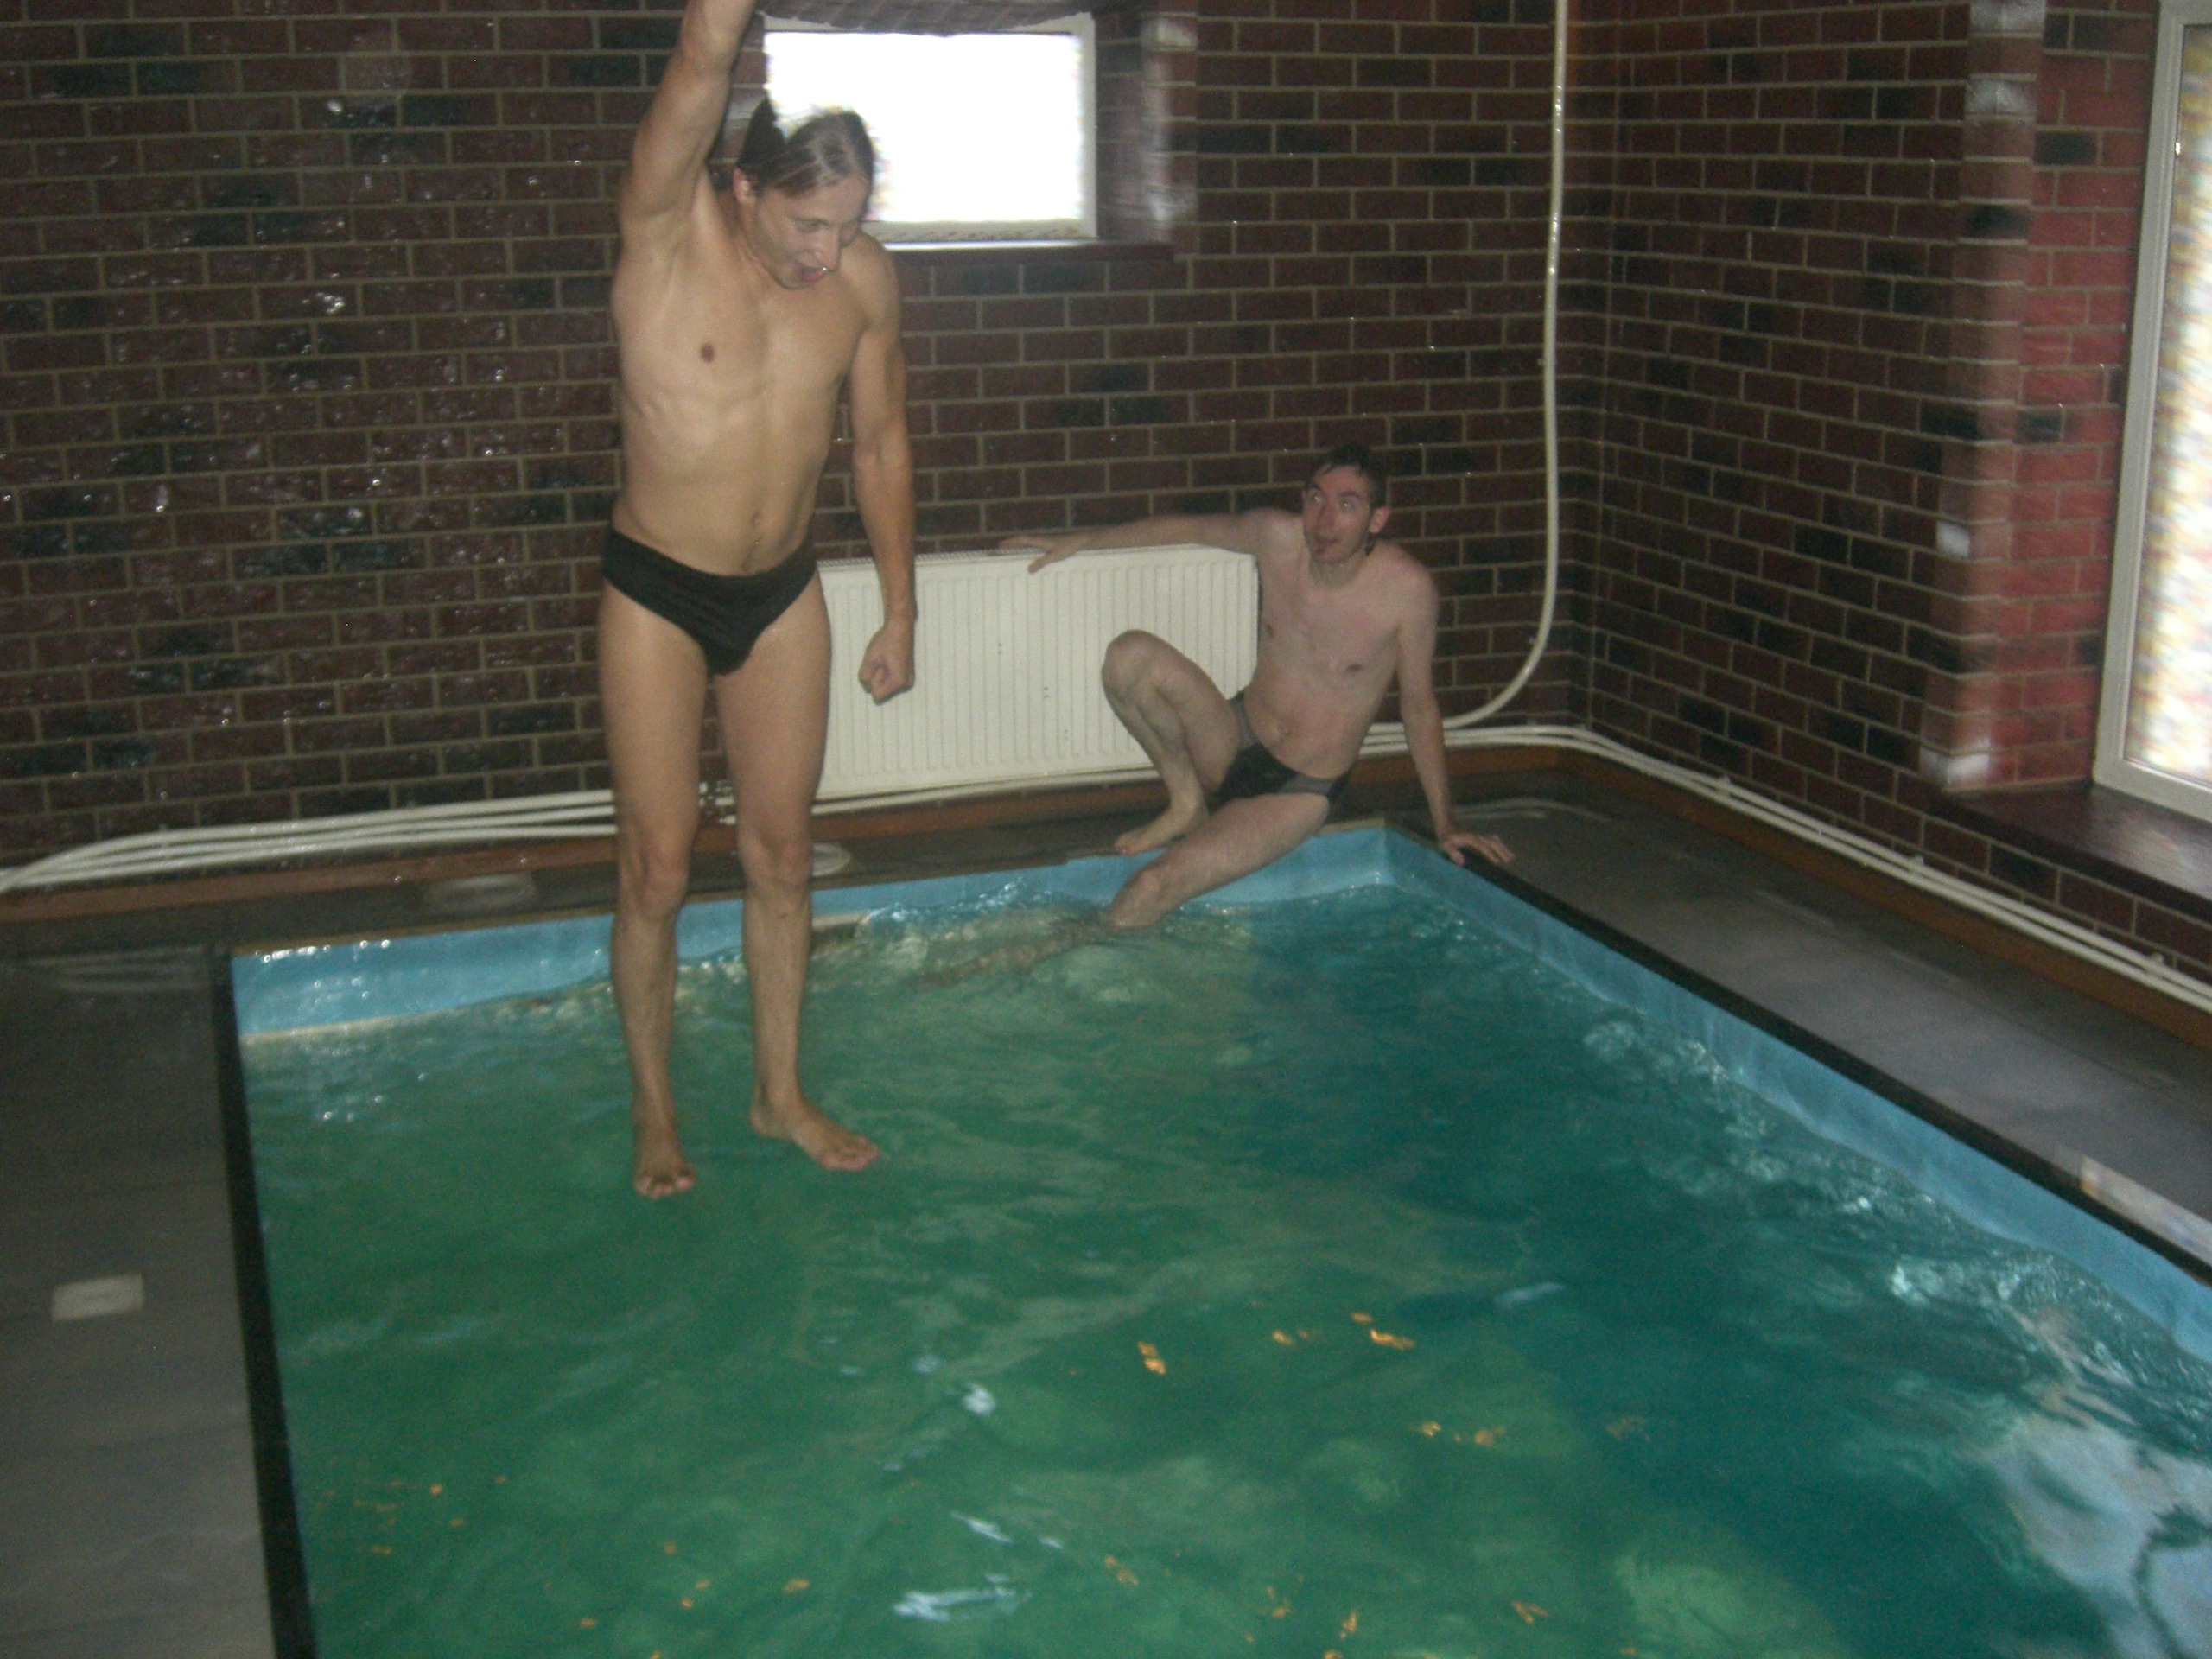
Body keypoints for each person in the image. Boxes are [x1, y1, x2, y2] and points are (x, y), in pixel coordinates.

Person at [602, 0, 914, 1196]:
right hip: (657, 593)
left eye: (849, 224)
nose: (827, 252)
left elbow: (878, 446)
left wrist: (901, 608)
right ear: (743, 186)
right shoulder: (664, 232)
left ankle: (778, 1095)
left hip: (780, 593)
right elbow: (698, 61)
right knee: (659, 868)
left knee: (783, 856)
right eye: (806, 223)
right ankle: (654, 1109)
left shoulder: (861, 284)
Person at [1003, 444, 1510, 930]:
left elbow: (1419, 708)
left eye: (1347, 505)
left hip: (1300, 790)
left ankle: (1078, 952)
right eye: (1316, 499)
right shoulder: (1276, 537)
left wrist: (1446, 822)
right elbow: (1187, 526)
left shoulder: (1407, 591)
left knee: (1150, 888)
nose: (1324, 520)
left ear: (1377, 520)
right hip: (1235, 736)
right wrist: (1083, 540)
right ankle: (1185, 802)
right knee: (1128, 658)